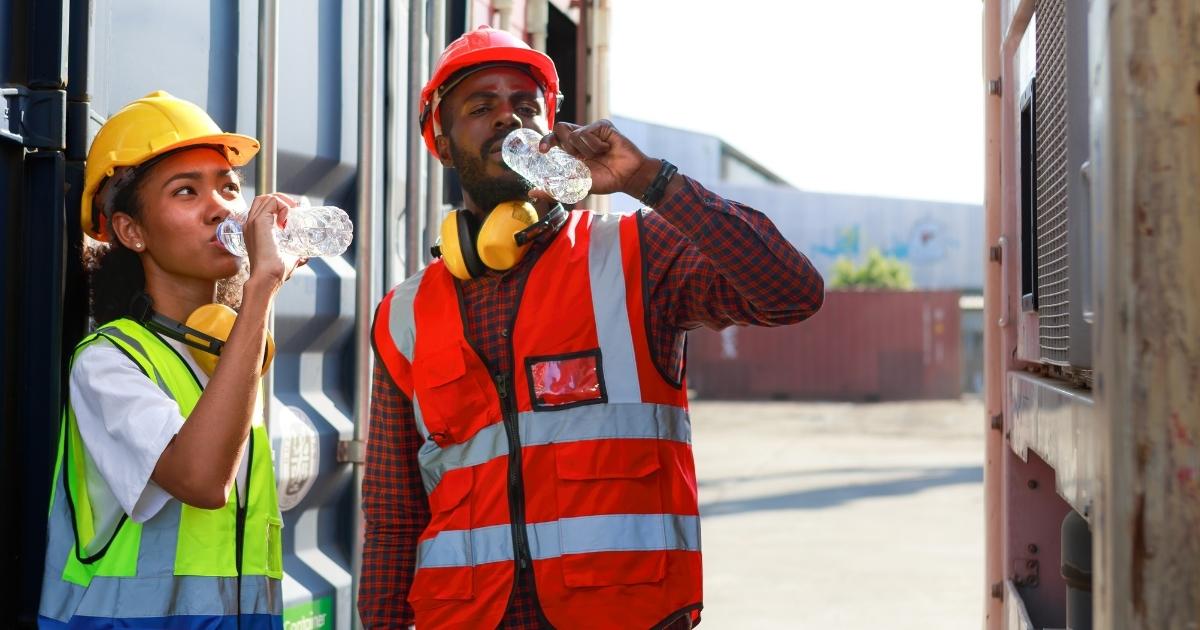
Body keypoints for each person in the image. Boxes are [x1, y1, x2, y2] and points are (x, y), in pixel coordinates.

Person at [360, 26, 824, 630]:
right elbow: (395, 517)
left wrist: (649, 181)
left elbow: (792, 292)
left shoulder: (636, 255)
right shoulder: (404, 314)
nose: (509, 118)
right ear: (442, 144)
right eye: (481, 107)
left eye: (526, 106)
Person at [38, 91, 301, 629]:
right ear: (132, 232)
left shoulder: (221, 352)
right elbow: (202, 481)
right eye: (187, 191)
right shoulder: (108, 362)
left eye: (229, 187)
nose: (222, 208)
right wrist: (260, 292)